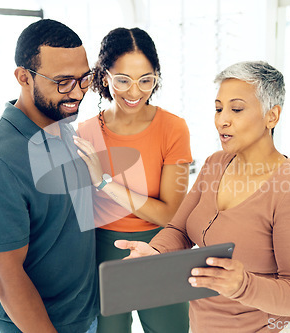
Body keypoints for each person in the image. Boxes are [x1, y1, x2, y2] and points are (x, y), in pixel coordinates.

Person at [115, 61, 290, 333]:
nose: (221, 120)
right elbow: (179, 229)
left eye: (236, 109)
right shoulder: (215, 163)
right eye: (218, 108)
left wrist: (242, 285)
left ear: (272, 116)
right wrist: (155, 252)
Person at [0, 19, 99, 333]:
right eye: (63, 81)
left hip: (82, 317)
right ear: (24, 77)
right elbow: (6, 277)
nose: (77, 93)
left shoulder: (60, 124)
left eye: (84, 78)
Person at [75, 27, 191, 333]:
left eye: (146, 80)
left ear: (156, 77)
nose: (135, 92)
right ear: (104, 77)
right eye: (123, 80)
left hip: (160, 247)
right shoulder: (85, 134)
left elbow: (169, 213)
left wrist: (104, 183)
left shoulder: (173, 128)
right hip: (104, 252)